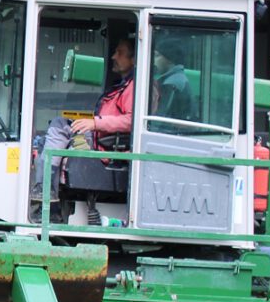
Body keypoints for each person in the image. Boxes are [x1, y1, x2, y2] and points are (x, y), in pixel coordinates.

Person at [35, 37, 135, 218]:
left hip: (107, 143)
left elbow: (131, 121)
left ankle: (46, 190)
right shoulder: (124, 85)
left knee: (58, 126)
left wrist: (95, 123)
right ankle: (47, 195)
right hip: (100, 135)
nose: (113, 56)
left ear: (133, 60)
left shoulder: (135, 87)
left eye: (119, 53)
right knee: (51, 133)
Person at [152, 38, 192, 120]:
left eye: (157, 56)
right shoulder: (177, 78)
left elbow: (160, 118)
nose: (153, 60)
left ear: (170, 59)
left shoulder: (172, 83)